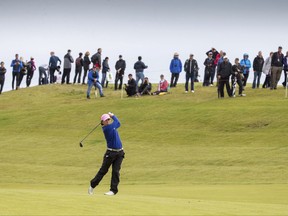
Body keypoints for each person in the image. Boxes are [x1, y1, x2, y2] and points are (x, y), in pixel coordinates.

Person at [88, 112, 125, 196]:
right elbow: (118, 122)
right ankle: (92, 185)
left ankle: (113, 190)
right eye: (106, 120)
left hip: (120, 153)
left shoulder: (112, 127)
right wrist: (113, 115)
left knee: (116, 171)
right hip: (110, 153)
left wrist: (111, 116)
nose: (108, 121)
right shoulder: (107, 128)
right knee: (103, 171)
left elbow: (118, 123)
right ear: (102, 122)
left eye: (109, 119)